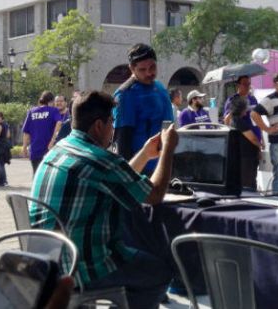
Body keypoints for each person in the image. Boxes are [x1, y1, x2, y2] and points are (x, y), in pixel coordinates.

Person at [31, 91, 178, 309]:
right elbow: (154, 195)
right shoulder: (99, 158)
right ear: (99, 125)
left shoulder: (60, 149)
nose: (114, 129)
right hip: (82, 268)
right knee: (161, 271)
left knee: (134, 258)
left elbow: (119, 177)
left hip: (50, 261)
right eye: (112, 122)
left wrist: (146, 154)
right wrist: (168, 149)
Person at [113, 44, 174, 175]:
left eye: (152, 67)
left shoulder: (161, 89)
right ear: (132, 69)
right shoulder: (125, 94)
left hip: (164, 165)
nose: (149, 73)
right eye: (142, 69)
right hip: (140, 170)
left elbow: (168, 126)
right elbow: (123, 142)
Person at [22, 91, 63, 176]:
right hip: (48, 149)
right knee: (47, 175)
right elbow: (59, 123)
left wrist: (24, 147)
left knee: (36, 174)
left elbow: (26, 132)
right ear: (51, 101)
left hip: (34, 149)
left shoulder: (32, 111)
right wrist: (52, 140)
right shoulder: (53, 111)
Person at [228, 95, 262, 189]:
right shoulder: (239, 121)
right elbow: (252, 138)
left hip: (243, 156)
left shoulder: (233, 120)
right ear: (242, 109)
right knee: (249, 183)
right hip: (247, 156)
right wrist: (260, 146)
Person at [223, 75, 262, 150]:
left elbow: (258, 118)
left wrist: (262, 137)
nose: (247, 86)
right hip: (242, 141)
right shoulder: (233, 100)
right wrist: (236, 109)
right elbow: (226, 121)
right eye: (244, 84)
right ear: (238, 85)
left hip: (256, 138)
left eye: (249, 84)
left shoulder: (253, 99)